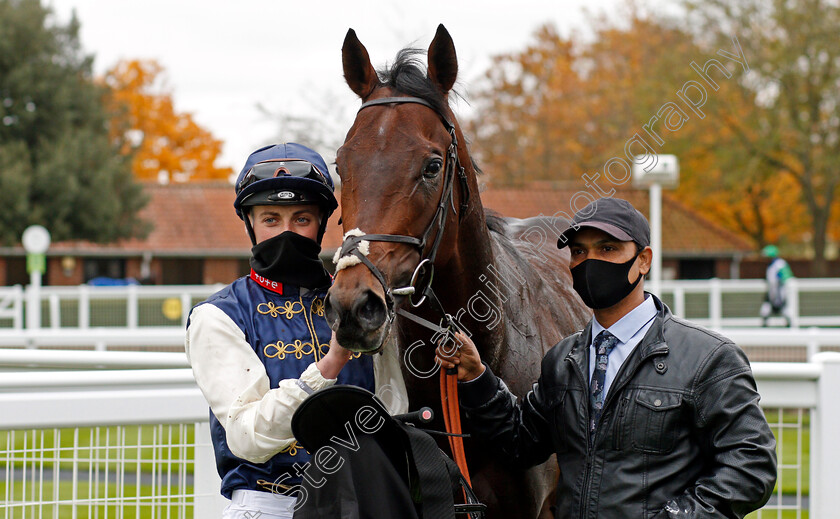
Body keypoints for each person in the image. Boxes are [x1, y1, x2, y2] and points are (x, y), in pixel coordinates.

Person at [437, 197, 777, 519]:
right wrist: (477, 376)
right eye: (579, 251)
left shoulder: (710, 358)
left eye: (608, 248)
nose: (589, 261)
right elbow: (521, 441)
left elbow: (751, 464)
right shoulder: (563, 360)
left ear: (644, 260)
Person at [185, 143, 406, 519]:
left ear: (321, 223)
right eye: (271, 219)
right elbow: (247, 436)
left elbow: (396, 408)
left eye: (301, 219)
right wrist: (329, 366)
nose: (286, 232)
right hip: (269, 506)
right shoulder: (217, 316)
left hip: (368, 503)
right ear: (250, 224)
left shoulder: (363, 303)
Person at [760, 244, 794, 327]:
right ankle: (764, 325)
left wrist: (780, 280)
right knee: (765, 309)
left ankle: (790, 325)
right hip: (771, 291)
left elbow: (787, 277)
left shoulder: (780, 264)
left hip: (780, 291)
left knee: (785, 309)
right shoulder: (770, 265)